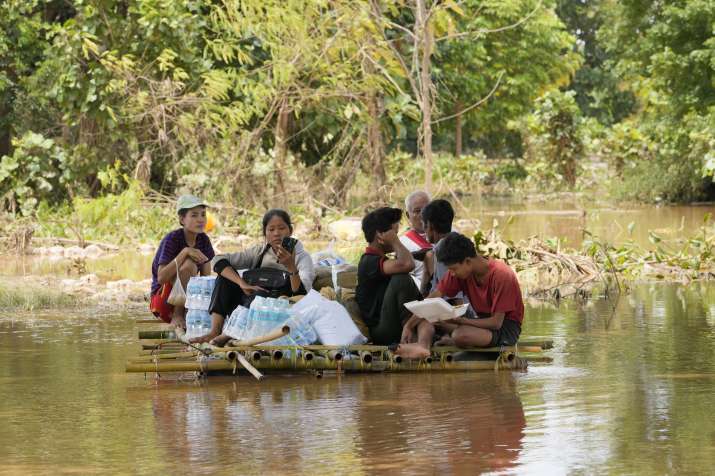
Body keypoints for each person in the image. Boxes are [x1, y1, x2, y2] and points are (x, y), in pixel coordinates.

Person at [201, 209, 316, 345]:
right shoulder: (258, 252)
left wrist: (291, 266)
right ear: (265, 233)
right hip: (246, 304)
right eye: (271, 229)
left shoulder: (302, 258)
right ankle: (215, 330)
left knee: (261, 294)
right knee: (224, 278)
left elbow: (301, 296)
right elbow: (218, 260)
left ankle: (230, 334)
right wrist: (241, 283)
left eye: (281, 228)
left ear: (290, 231)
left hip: (275, 312)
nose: (276, 233)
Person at [355, 207, 433, 359]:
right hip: (382, 330)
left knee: (425, 311)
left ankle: (422, 346)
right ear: (381, 234)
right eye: (395, 233)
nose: (397, 236)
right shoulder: (368, 261)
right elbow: (407, 264)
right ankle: (413, 337)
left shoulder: (382, 260)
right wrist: (395, 241)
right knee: (401, 278)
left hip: (395, 322)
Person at [428, 232, 523, 347]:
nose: (451, 274)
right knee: (437, 322)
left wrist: (462, 321)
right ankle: (461, 340)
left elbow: (496, 323)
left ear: (468, 261)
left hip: (505, 329)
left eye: (453, 269)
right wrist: (409, 325)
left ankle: (456, 341)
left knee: (460, 335)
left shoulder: (502, 275)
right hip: (480, 323)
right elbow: (435, 295)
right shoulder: (461, 272)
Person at [150, 195, 215, 329]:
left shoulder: (203, 240)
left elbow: (206, 278)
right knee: (189, 264)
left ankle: (187, 313)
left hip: (190, 303)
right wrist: (184, 252)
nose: (200, 219)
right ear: (182, 219)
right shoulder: (172, 239)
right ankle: (178, 315)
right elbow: (161, 278)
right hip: (163, 301)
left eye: (203, 215)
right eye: (194, 215)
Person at [399, 190, 432, 289]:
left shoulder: (449, 233)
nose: (423, 215)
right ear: (408, 215)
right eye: (417, 211)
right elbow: (407, 279)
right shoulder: (403, 243)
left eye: (426, 209)